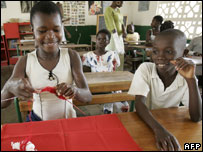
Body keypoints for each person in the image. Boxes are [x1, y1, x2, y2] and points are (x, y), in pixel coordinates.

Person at [1, 1, 92, 121]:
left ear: (62, 29)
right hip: (38, 121)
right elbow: (3, 103)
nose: (50, 36)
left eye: (56, 29)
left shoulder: (72, 57)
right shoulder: (25, 61)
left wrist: (74, 91)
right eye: (42, 31)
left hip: (68, 120)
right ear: (33, 31)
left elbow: (87, 96)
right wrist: (10, 86)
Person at [128, 29, 202, 151]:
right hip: (146, 123)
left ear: (184, 53)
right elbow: (139, 103)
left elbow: (197, 117)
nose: (160, 57)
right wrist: (159, 130)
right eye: (155, 51)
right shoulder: (146, 68)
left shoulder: (185, 77)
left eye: (168, 51)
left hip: (171, 125)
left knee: (192, 147)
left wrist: (191, 80)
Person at [82, 29, 129, 114]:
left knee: (124, 103)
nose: (101, 41)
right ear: (96, 40)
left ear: (108, 42)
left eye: (104, 39)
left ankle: (109, 112)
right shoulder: (88, 55)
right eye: (99, 39)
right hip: (96, 84)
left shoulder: (113, 54)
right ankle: (107, 111)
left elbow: (116, 65)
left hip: (111, 83)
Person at [104, 1, 127, 71]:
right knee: (113, 54)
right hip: (113, 36)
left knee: (120, 54)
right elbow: (111, 24)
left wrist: (124, 31)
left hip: (119, 36)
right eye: (122, 3)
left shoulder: (118, 10)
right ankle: (111, 72)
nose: (122, 5)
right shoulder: (108, 9)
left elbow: (122, 22)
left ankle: (119, 71)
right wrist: (116, 38)